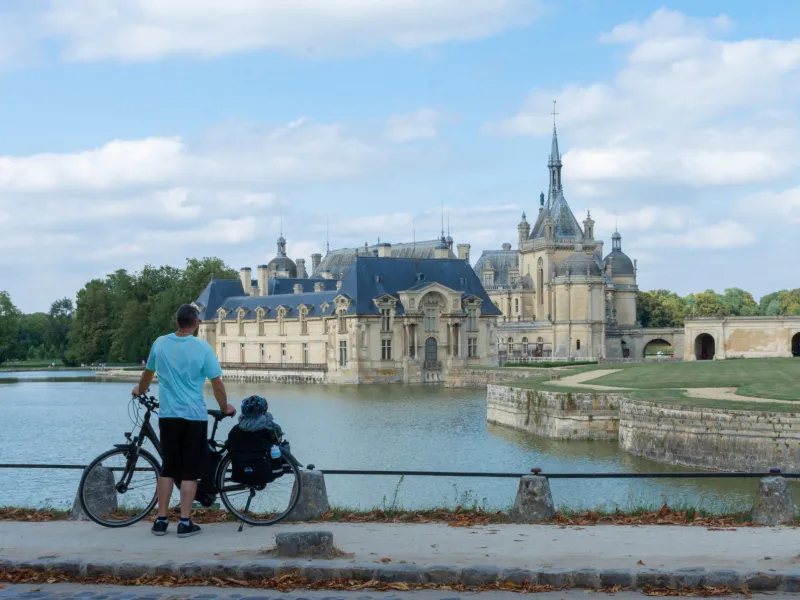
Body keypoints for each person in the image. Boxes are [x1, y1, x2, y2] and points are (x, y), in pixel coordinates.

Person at [133, 304, 236, 538]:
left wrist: (139, 390)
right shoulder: (203, 347)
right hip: (194, 416)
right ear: (196, 323)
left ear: (176, 322)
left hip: (168, 415)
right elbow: (217, 384)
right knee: (189, 471)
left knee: (167, 467)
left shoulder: (160, 343)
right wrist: (224, 407)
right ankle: (185, 522)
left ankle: (160, 520)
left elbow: (147, 375)